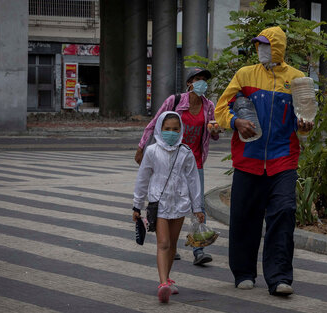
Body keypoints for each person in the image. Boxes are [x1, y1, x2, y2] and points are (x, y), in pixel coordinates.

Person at [214, 26, 313, 296]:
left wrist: (305, 126)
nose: (261, 50)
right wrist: (236, 122)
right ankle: (244, 273)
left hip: (283, 159)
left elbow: (304, 117)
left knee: (284, 212)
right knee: (244, 217)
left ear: (278, 47)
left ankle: (280, 277)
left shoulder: (297, 78)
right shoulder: (244, 75)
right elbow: (221, 108)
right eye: (258, 45)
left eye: (266, 45)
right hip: (248, 159)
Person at [135, 68, 220, 265]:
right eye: (198, 79)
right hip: (170, 158)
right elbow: (155, 123)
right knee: (169, 200)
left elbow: (213, 134)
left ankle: (199, 248)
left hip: (194, 160)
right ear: (189, 82)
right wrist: (141, 147)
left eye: (205, 80)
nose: (202, 84)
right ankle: (170, 246)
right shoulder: (174, 101)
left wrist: (215, 131)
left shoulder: (208, 106)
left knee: (197, 203)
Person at [132, 111, 205, 303]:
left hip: (180, 203)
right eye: (167, 129)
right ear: (160, 130)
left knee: (172, 244)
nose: (171, 133)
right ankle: (163, 283)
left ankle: (168, 277)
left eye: (175, 129)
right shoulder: (152, 151)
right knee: (163, 243)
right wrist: (137, 205)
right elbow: (143, 178)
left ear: (181, 130)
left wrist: (198, 207)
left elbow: (193, 180)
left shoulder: (186, 152)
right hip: (159, 203)